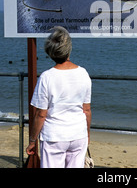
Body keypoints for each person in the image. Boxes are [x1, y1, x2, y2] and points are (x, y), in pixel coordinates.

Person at [26, 26, 92, 168]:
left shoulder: (47, 77)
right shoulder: (83, 73)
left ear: (50, 52)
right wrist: (87, 134)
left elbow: (41, 114)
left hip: (54, 136)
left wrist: (32, 140)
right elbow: (86, 110)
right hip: (78, 134)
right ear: (69, 49)